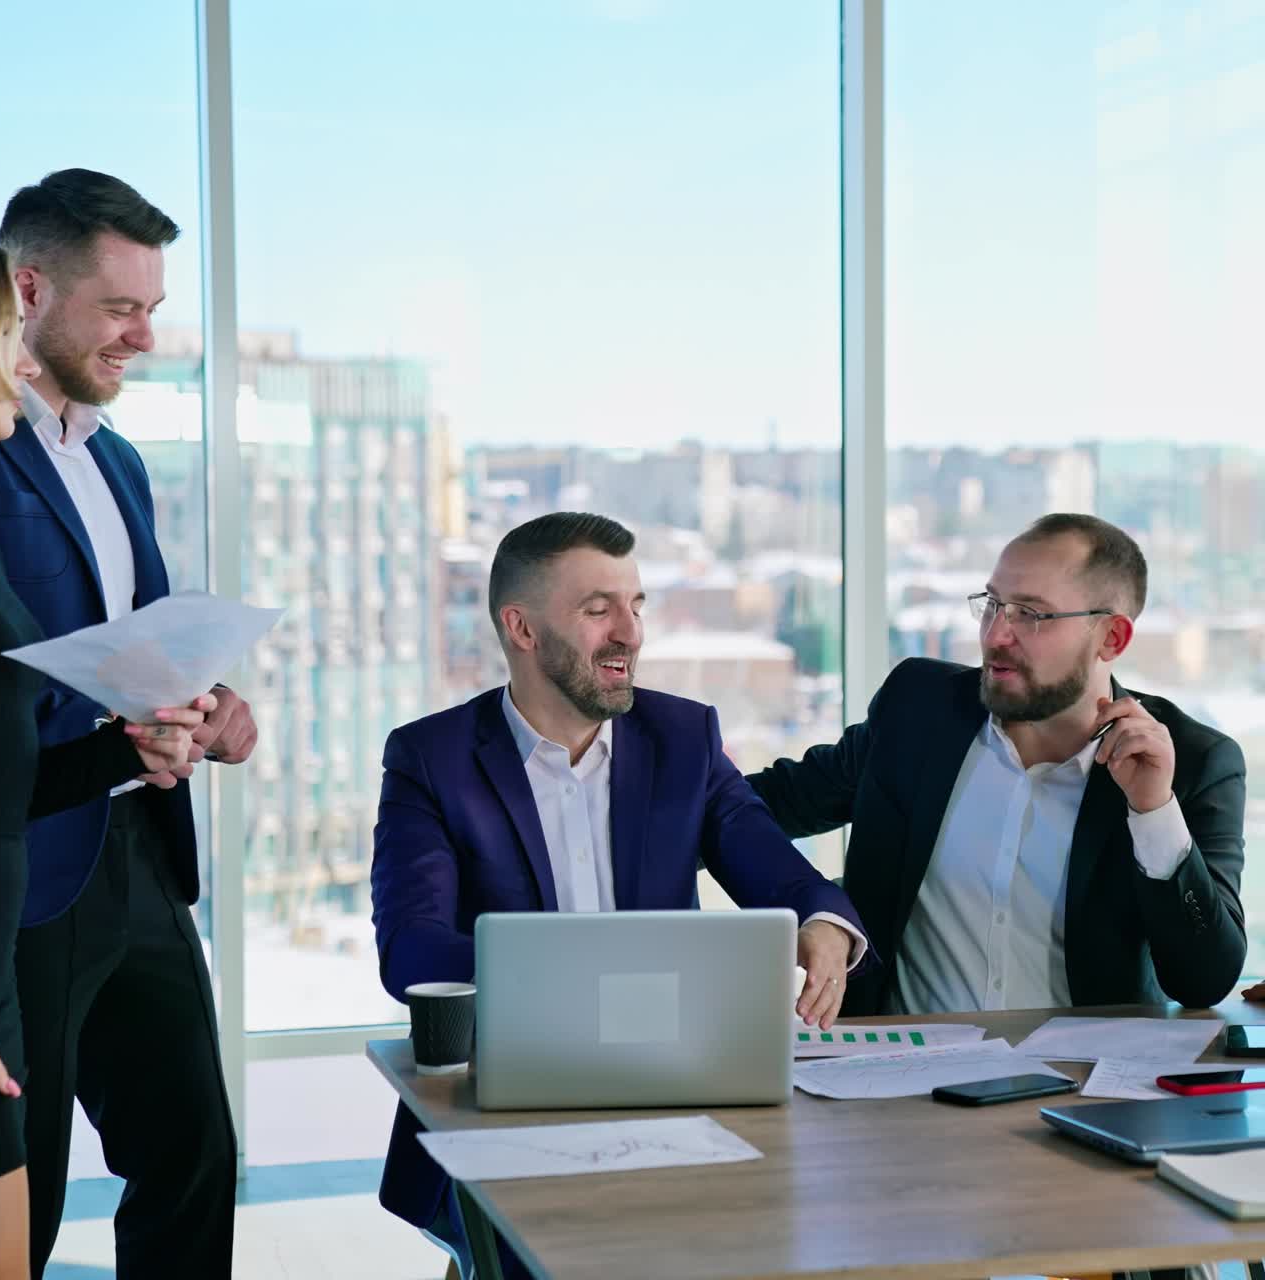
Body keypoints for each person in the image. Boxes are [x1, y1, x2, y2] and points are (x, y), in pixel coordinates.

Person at [371, 510, 872, 1276]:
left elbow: (774, 864)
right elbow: (411, 951)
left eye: (636, 606)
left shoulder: (685, 739)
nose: (630, 633)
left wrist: (825, 921)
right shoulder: (430, 758)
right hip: (510, 1103)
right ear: (523, 629)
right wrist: (582, 977)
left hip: (678, 1096)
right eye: (598, 608)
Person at [0, 170, 259, 1279]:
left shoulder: (119, 461)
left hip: (140, 853)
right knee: (28, 1202)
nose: (145, 335)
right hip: (23, 881)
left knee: (192, 1154)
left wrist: (205, 707)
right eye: (120, 308)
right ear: (32, 288)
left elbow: (130, 653)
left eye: (153, 307)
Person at [747, 512, 1246, 1018]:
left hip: (1082, 1084)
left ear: (1111, 639)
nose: (996, 635)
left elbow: (1203, 981)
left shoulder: (1192, 763)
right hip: (900, 1074)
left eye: (1030, 614)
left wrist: (1153, 812)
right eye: (992, 605)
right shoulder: (918, 711)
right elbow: (757, 808)